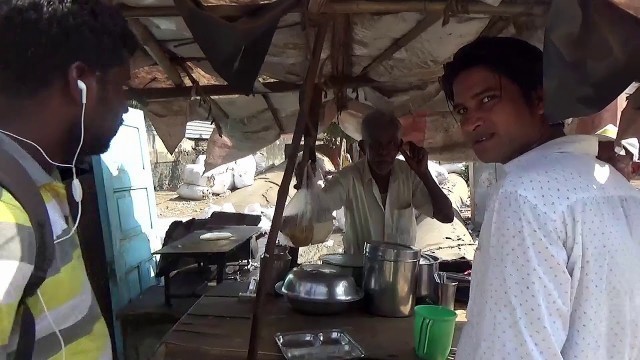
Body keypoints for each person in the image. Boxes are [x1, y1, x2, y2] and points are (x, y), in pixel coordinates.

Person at [440, 36, 640, 359]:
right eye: (463, 109)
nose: (470, 122)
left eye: (488, 99)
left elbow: (512, 352)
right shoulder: (621, 191)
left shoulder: (523, 196)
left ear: (539, 100)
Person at [0, 0, 136, 358]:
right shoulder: (5, 218)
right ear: (80, 82)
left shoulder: (40, 179)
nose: (126, 107)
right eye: (123, 87)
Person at [293, 110, 454, 255]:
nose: (383, 151)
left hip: (400, 276)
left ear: (399, 147)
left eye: (390, 144)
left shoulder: (409, 175)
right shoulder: (349, 178)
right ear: (363, 147)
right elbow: (319, 208)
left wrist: (424, 173)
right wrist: (306, 185)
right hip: (359, 274)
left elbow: (446, 216)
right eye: (376, 144)